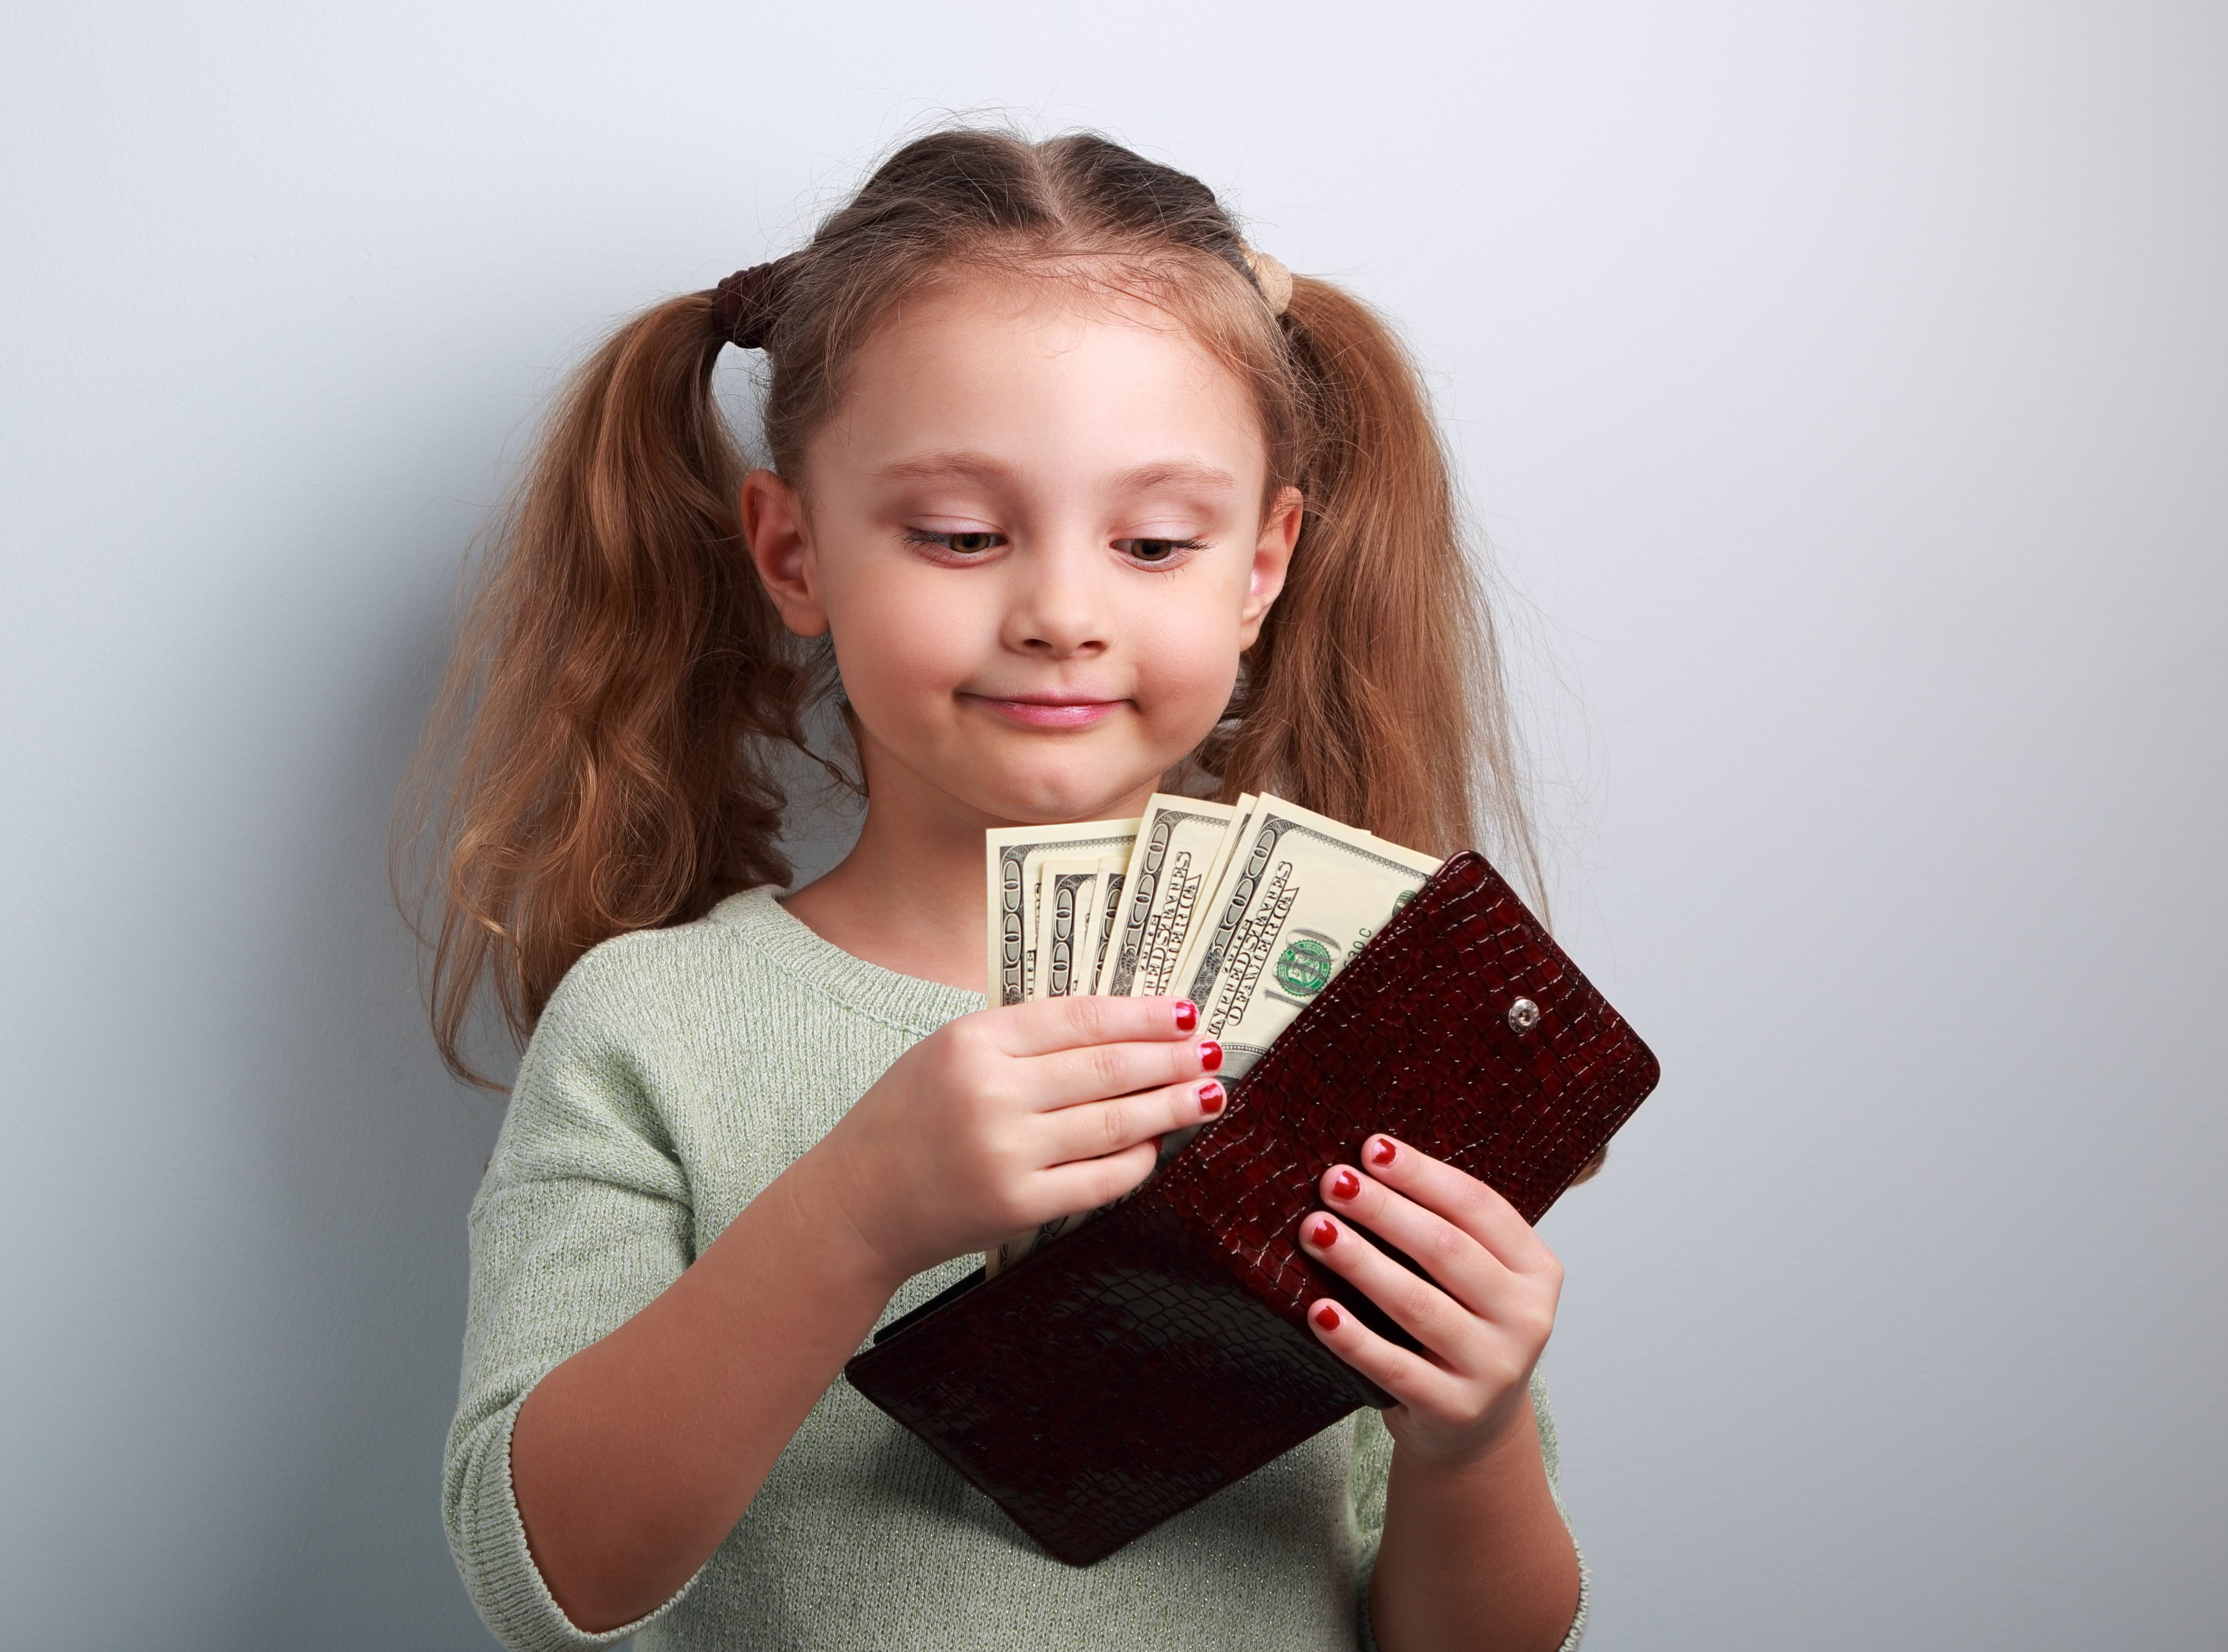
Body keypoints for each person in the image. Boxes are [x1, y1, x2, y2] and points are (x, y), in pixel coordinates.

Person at [419, 128, 1587, 1652]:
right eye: (962, 535)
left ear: (1260, 566)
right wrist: (855, 1212)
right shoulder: (655, 1026)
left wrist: (1473, 1441)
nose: (1061, 612)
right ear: (793, 551)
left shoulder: (1352, 1020)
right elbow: (546, 1577)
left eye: (1154, 542)